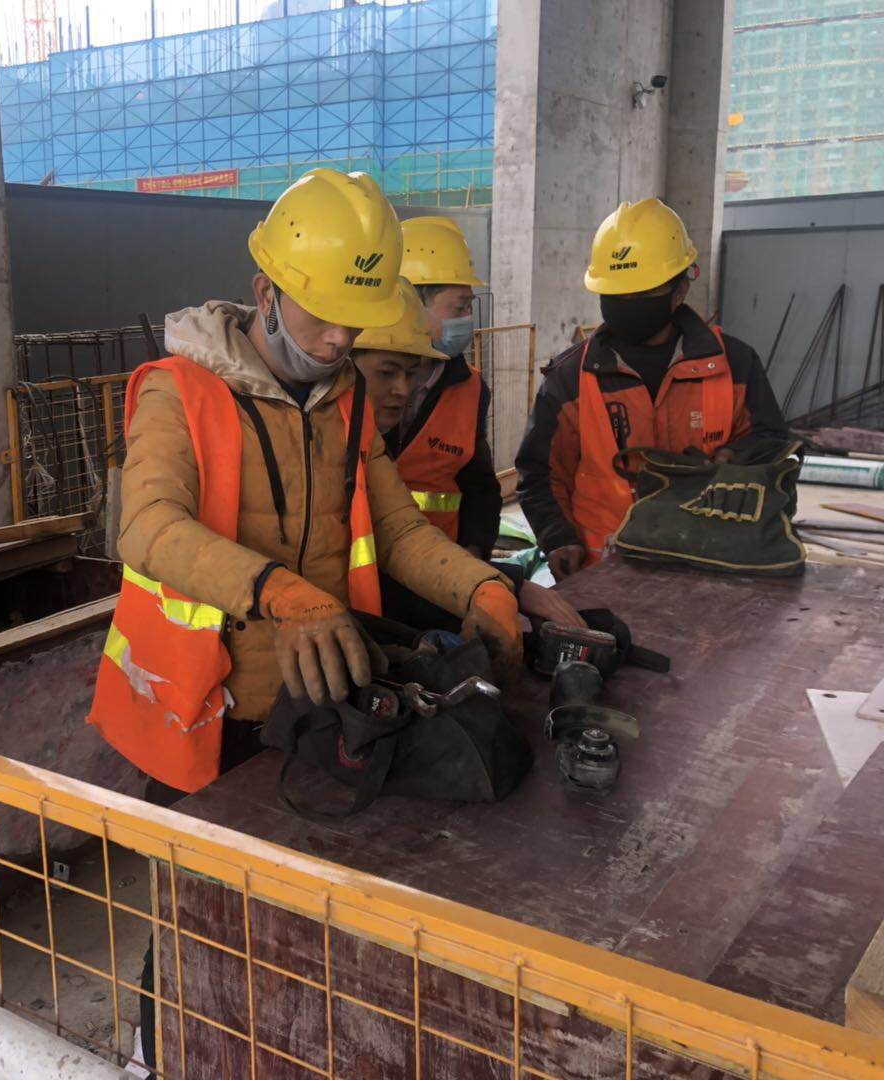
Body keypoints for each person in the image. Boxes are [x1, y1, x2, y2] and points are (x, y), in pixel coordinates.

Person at [86, 168, 525, 800]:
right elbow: (150, 526)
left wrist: (483, 589)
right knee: (201, 885)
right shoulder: (177, 390)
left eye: (354, 322)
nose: (339, 340)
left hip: (316, 706)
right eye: (324, 317)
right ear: (266, 295)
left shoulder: (346, 402)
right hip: (204, 706)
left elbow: (398, 529)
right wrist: (284, 596)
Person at [516, 198, 788, 578]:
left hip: (710, 566)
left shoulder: (735, 364)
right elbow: (540, 474)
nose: (628, 305)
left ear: (680, 290)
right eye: (616, 295)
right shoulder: (571, 377)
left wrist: (730, 457)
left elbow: (772, 441)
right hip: (602, 574)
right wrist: (558, 537)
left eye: (642, 294)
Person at [354, 280, 583, 631]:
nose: (402, 389)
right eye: (387, 373)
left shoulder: (375, 444)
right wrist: (490, 585)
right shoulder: (331, 443)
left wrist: (483, 577)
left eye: (412, 373)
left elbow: (403, 535)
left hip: (420, 594)